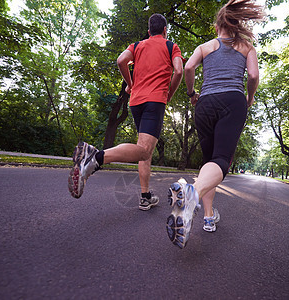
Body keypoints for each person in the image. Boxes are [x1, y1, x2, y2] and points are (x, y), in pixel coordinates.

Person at [166, 0, 264, 248]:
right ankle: (192, 193)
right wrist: (249, 97)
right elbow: (252, 75)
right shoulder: (246, 47)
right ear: (236, 24)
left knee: (210, 163)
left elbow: (188, 67)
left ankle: (208, 217)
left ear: (218, 24)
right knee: (221, 161)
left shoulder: (205, 46)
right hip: (232, 100)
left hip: (205, 103)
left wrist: (191, 94)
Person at [68, 13, 184, 211]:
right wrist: (169, 94)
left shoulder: (137, 45)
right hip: (155, 100)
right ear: (165, 31)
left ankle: (145, 196)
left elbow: (121, 60)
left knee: (143, 149)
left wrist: (131, 85)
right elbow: (179, 71)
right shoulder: (170, 45)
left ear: (149, 31)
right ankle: (95, 157)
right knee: (146, 149)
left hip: (136, 102)